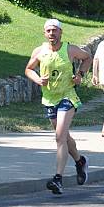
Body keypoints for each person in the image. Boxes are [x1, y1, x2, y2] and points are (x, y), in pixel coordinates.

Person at [25, 18, 91, 195]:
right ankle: (80, 161)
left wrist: (80, 75)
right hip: (49, 99)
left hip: (67, 96)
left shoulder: (70, 49)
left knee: (59, 137)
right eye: (48, 31)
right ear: (44, 33)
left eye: (55, 30)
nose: (52, 34)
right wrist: (38, 79)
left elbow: (87, 58)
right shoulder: (39, 51)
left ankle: (58, 179)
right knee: (64, 137)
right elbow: (28, 69)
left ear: (61, 33)